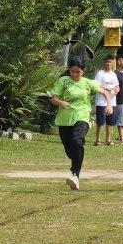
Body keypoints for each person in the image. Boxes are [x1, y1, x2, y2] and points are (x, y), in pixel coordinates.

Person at [50, 57, 114, 190]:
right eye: (72, 71)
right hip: (65, 119)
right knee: (70, 150)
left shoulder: (88, 83)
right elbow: (53, 99)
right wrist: (60, 102)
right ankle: (75, 168)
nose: (74, 74)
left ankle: (75, 175)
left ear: (83, 71)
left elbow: (106, 92)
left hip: (82, 116)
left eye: (78, 72)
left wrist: (109, 105)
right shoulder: (63, 81)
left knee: (77, 141)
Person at [94, 55, 119, 146]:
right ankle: (98, 141)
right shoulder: (100, 73)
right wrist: (108, 88)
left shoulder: (113, 74)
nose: (108, 63)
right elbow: (97, 85)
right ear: (104, 63)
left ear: (113, 63)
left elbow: (117, 85)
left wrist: (117, 89)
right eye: (107, 62)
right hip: (101, 102)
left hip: (112, 102)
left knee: (110, 122)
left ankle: (108, 140)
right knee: (100, 122)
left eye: (110, 62)